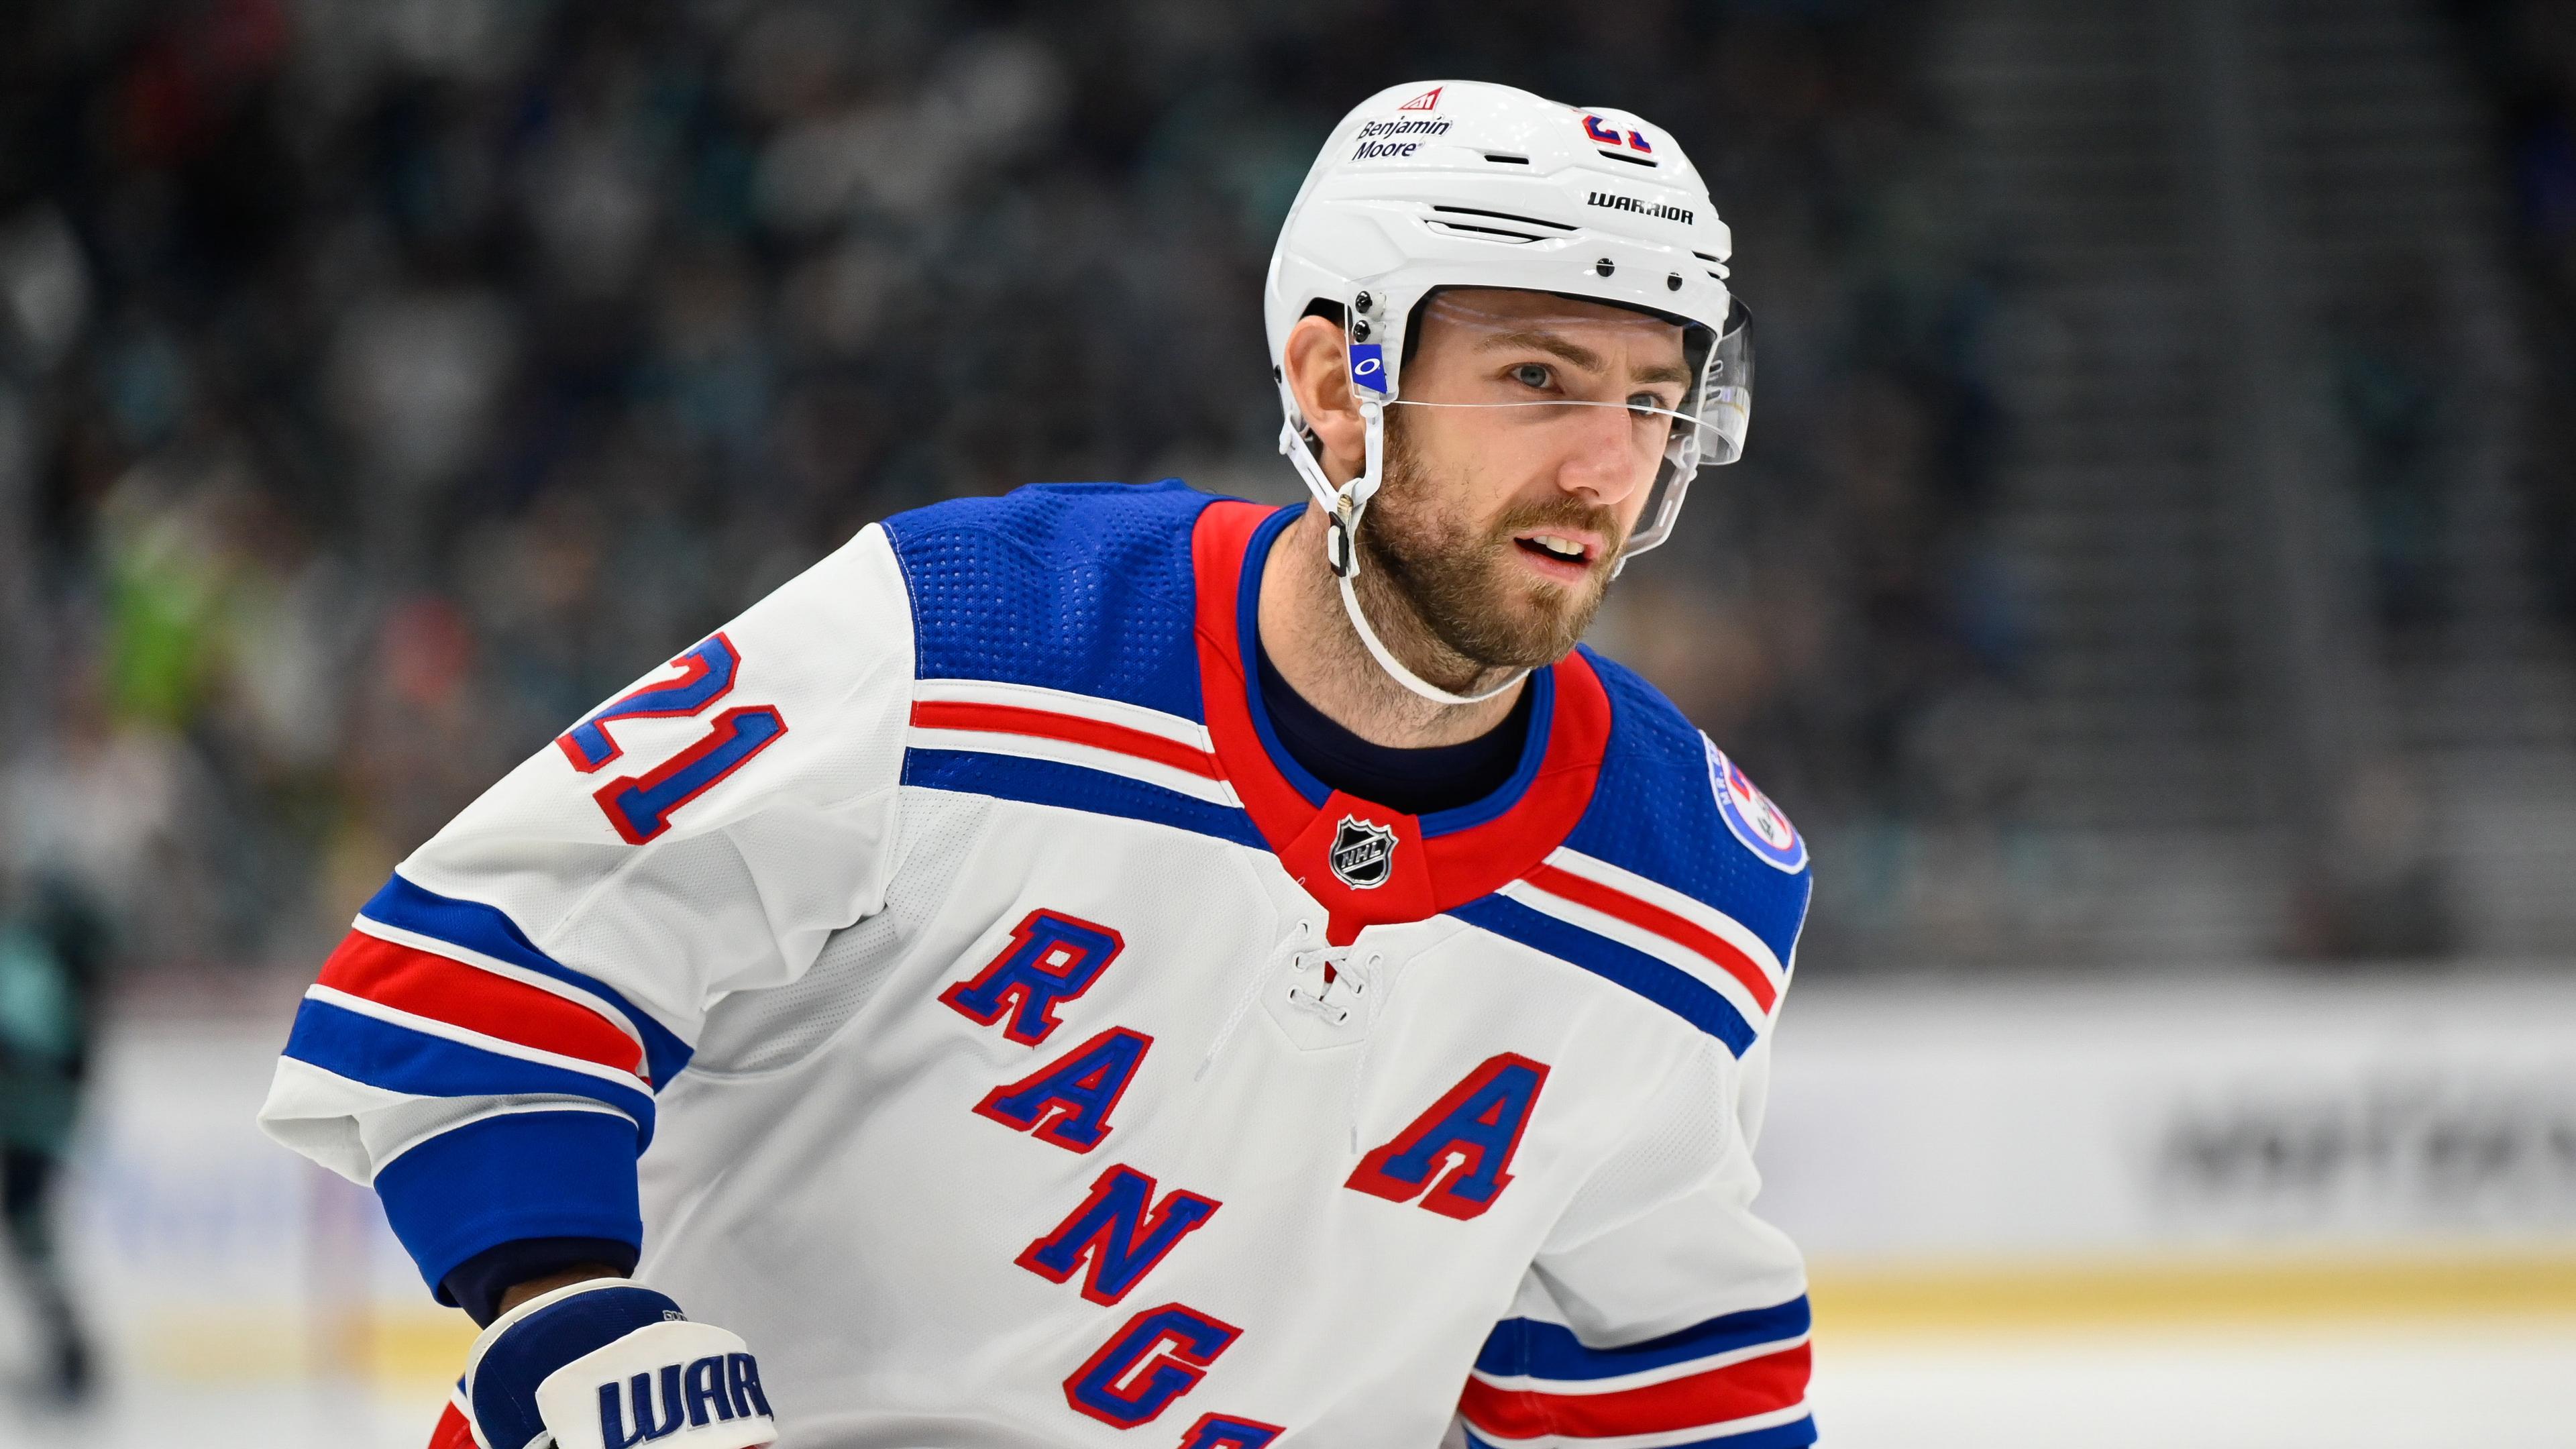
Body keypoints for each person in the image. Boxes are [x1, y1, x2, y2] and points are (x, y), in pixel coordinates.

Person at [260, 80, 1814, 1449]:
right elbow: (483, 968)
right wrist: (564, 1314)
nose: (1610, 463)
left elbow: (1656, 1379)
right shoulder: (979, 635)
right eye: (1539, 379)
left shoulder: (1690, 884)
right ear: (1342, 386)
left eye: (1651, 396)